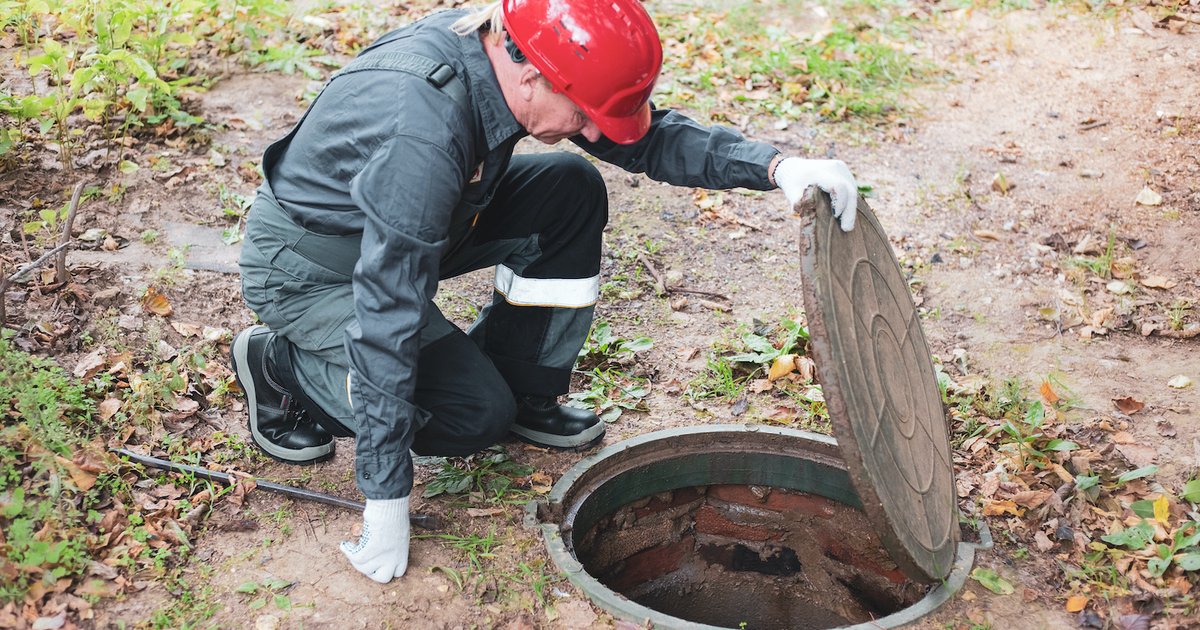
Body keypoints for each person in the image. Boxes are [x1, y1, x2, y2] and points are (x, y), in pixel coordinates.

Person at [229, 0, 859, 584]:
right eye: (583, 113)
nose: (591, 129)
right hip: (316, 266)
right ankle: (279, 365)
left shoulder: (510, 55)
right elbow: (388, 308)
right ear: (531, 78)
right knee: (470, 414)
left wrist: (777, 168)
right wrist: (385, 493)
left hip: (429, 219)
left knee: (568, 186)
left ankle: (523, 384)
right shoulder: (418, 132)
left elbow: (644, 138)